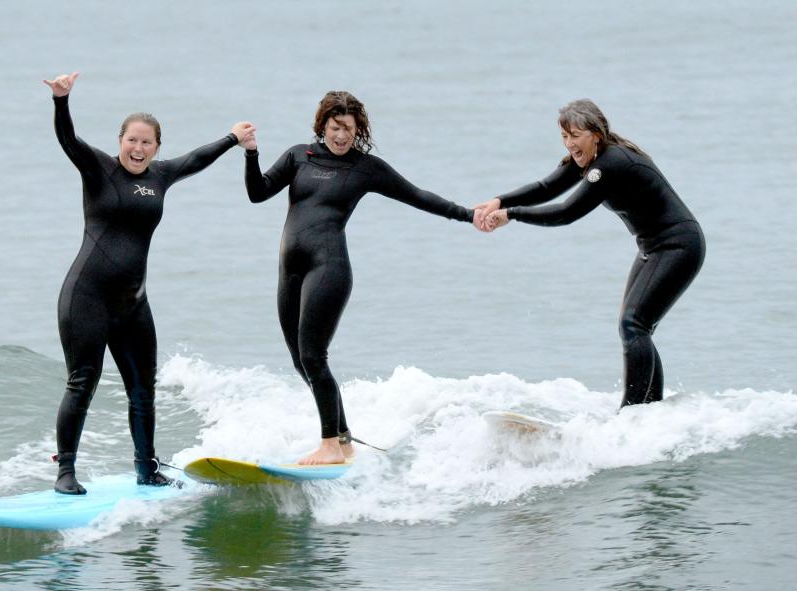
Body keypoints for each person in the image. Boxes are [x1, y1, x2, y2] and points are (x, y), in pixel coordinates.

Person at [43, 72, 254, 494]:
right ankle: (66, 473)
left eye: (147, 142)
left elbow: (196, 159)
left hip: (133, 304)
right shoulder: (99, 169)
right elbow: (68, 140)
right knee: (82, 382)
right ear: (120, 140)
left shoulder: (160, 176)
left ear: (157, 148)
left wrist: (232, 139)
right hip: (87, 297)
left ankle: (146, 467)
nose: (138, 148)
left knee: (142, 391)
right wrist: (62, 101)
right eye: (131, 140)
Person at [241, 91, 480, 464]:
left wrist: (468, 215)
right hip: (290, 270)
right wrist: (251, 153)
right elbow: (257, 193)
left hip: (329, 268)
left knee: (313, 355)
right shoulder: (298, 156)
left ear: (358, 131)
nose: (341, 136)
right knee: (299, 359)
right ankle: (343, 438)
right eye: (336, 128)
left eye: (349, 130)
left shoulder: (364, 168)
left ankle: (330, 445)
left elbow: (417, 195)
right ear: (323, 126)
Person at [476, 99, 705, 409]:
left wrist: (512, 214)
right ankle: (651, 410)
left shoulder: (611, 164)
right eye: (564, 136)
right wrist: (498, 201)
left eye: (576, 135)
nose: (570, 143)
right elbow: (546, 188)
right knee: (637, 326)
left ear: (596, 134)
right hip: (654, 246)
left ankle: (632, 413)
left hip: (678, 246)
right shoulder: (590, 160)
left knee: (633, 325)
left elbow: (567, 212)